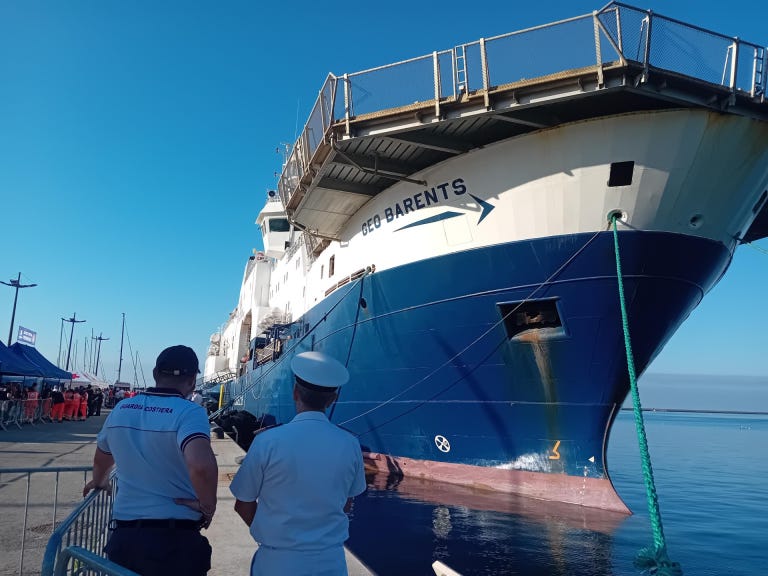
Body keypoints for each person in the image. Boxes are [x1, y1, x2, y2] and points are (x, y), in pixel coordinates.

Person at [83, 345, 218, 576]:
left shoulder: (122, 408)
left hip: (125, 539)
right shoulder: (189, 412)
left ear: (155, 373)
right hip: (174, 542)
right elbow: (201, 466)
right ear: (193, 381)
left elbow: (102, 457)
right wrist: (208, 506)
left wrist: (99, 480)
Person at [230, 351, 366, 576]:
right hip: (330, 563)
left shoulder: (266, 441)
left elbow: (242, 503)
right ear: (333, 400)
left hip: (276, 562)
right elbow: (347, 503)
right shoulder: (350, 443)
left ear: (295, 393)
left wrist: (273, 535)